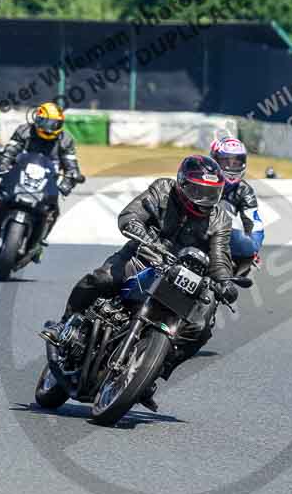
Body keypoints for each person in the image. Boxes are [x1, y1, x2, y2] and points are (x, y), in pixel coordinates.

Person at [44, 155, 238, 411]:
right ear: (182, 184)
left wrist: (224, 282)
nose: (204, 199)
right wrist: (143, 236)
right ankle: (65, 324)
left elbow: (220, 257)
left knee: (201, 327)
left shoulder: (220, 218)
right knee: (100, 279)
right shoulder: (163, 190)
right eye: (198, 191)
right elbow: (130, 215)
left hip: (183, 276)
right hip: (144, 256)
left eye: (211, 192)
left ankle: (151, 372)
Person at [0, 102, 84, 258]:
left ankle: (39, 243)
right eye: (45, 122)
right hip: (19, 175)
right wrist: (3, 164)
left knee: (54, 210)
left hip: (47, 182)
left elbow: (71, 166)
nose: (49, 128)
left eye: (54, 124)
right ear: (37, 119)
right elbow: (10, 150)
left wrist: (68, 181)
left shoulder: (65, 140)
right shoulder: (24, 131)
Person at [209, 137, 264, 275]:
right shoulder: (203, 177)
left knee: (247, 264)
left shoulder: (244, 190)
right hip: (193, 227)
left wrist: (253, 248)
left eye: (236, 162)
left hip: (223, 235)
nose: (231, 166)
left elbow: (254, 222)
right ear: (214, 159)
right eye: (226, 161)